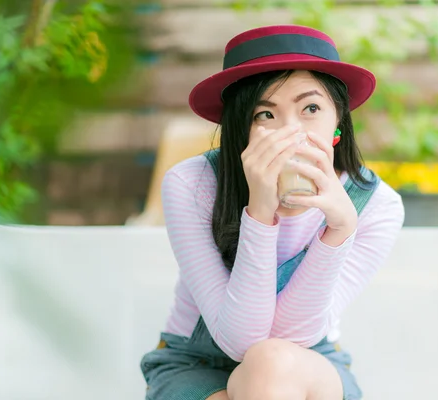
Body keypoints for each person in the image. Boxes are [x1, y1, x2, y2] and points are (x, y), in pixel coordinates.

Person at [140, 24, 405, 400]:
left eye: (311, 108)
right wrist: (260, 212)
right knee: (264, 364)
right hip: (196, 364)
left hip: (310, 362)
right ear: (241, 130)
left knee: (273, 363)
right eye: (265, 115)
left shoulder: (376, 205)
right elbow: (241, 343)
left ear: (338, 122)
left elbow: (289, 343)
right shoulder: (192, 184)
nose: (291, 131)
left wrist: (339, 229)